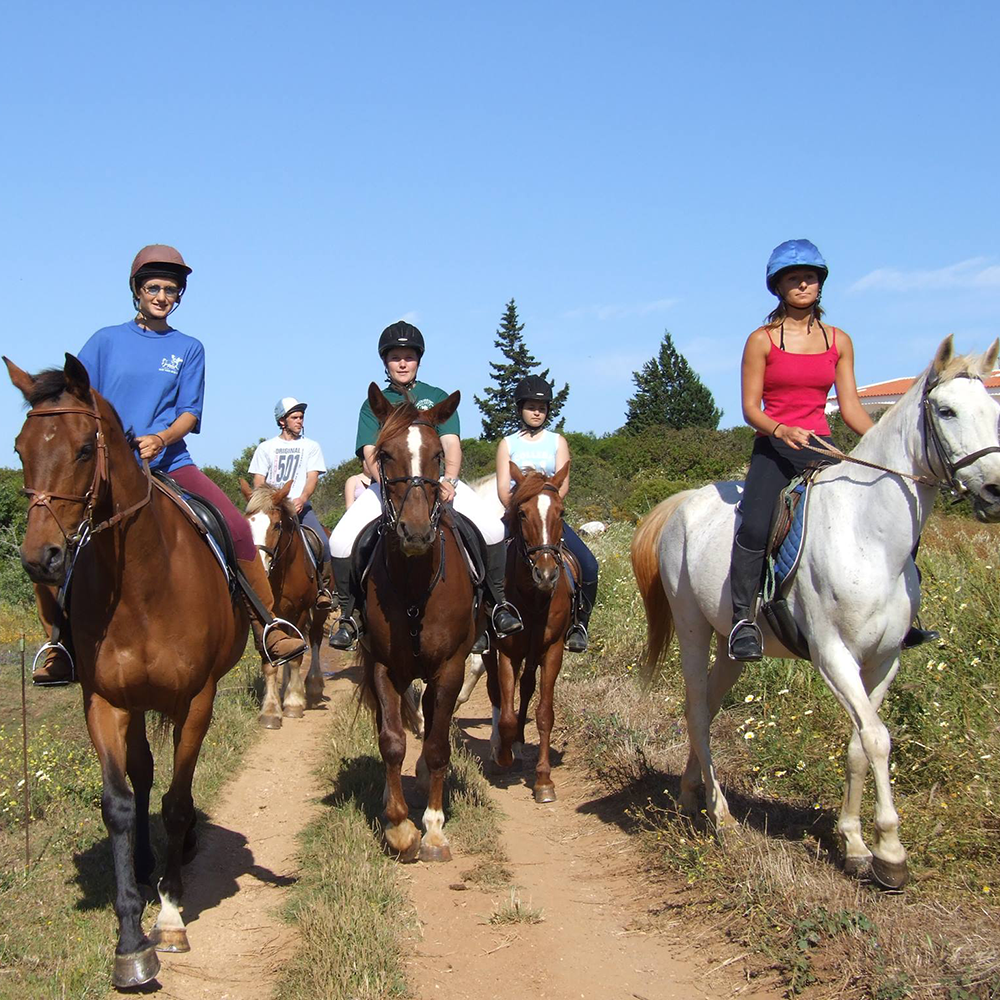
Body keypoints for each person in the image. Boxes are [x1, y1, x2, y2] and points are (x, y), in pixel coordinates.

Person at [30, 245, 306, 685]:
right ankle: (59, 644)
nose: (162, 296)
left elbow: (190, 413)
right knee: (53, 534)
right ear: (137, 291)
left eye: (171, 290)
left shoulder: (188, 348)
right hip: (107, 467)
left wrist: (160, 439)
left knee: (235, 524)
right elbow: (76, 399)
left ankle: (268, 624)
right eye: (153, 287)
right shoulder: (104, 340)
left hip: (172, 461)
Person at [728, 239, 937, 661]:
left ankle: (901, 614)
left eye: (809, 276)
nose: (802, 283)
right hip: (774, 447)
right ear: (778, 286)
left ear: (820, 284)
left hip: (821, 447)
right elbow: (751, 409)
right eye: (793, 278)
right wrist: (780, 428)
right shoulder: (761, 340)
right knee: (753, 524)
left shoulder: (839, 341)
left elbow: (852, 409)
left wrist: (883, 444)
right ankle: (743, 621)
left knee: (894, 509)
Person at [327, 320, 523, 651]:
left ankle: (496, 606)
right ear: (385, 361)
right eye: (395, 357)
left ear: (418, 360)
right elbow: (370, 455)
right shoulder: (374, 404)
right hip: (390, 487)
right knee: (341, 540)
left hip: (438, 484)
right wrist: (390, 486)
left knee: (492, 529)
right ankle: (349, 615)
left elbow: (451, 445)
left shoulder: (435, 397)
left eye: (409, 357)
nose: (402, 363)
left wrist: (448, 480)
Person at [495, 375, 598, 652]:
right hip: (518, 517)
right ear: (520, 409)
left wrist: (547, 508)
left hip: (549, 517)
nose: (537, 411)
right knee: (486, 563)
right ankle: (484, 623)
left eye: (541, 407)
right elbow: (504, 489)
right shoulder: (508, 443)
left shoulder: (556, 441)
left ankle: (578, 624)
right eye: (531, 406)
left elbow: (562, 484)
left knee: (589, 565)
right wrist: (521, 510)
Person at [249, 397, 333, 608]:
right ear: (282, 421)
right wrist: (267, 502)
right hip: (271, 509)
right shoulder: (265, 448)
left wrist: (302, 499)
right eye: (294, 417)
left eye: (301, 417)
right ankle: (245, 589)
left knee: (324, 543)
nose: (299, 421)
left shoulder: (311, 446)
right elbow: (259, 479)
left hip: (299, 508)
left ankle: (324, 590)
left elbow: (312, 477)